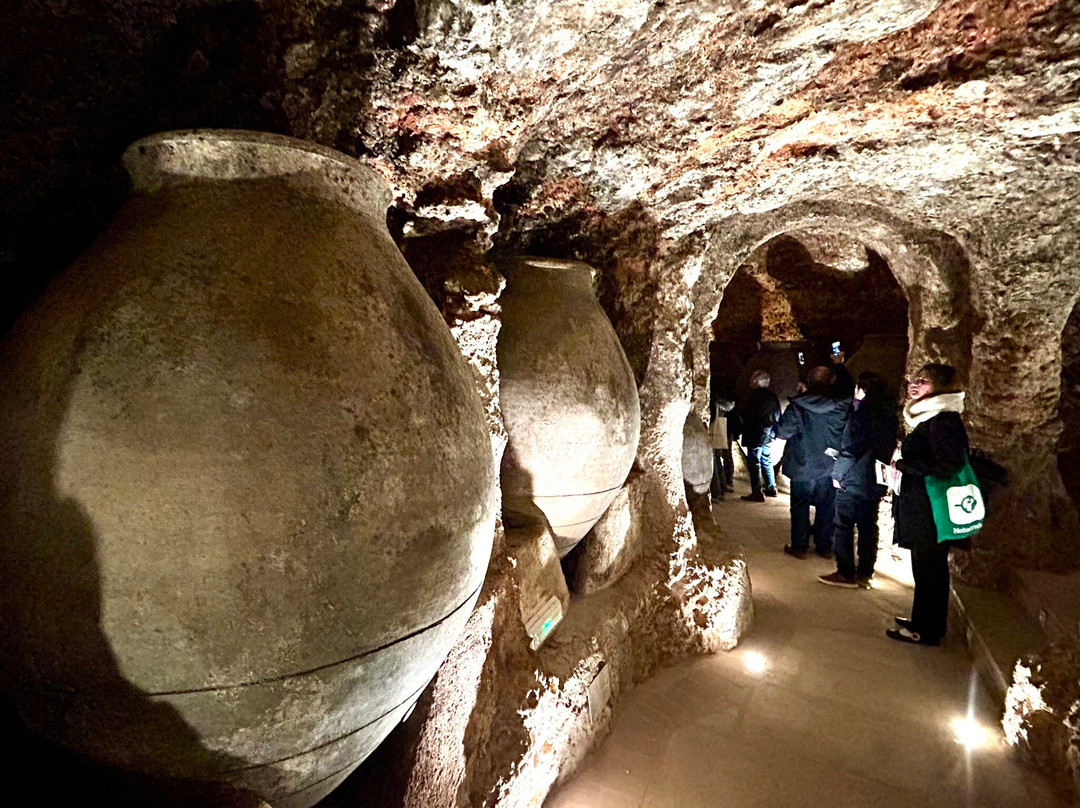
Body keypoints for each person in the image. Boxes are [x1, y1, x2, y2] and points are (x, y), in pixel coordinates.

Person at [887, 363, 968, 645]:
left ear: (941, 387)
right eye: (913, 379)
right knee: (925, 568)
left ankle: (928, 630)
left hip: (932, 507)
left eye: (923, 380)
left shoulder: (944, 420)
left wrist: (907, 464)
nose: (914, 384)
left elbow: (949, 463)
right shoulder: (931, 417)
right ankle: (923, 620)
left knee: (930, 568)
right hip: (924, 504)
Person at [819, 372, 899, 588]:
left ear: (863, 390)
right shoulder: (889, 415)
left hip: (854, 477)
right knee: (868, 525)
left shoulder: (862, 415)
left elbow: (850, 449)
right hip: (876, 477)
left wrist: (838, 475)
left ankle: (845, 572)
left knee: (843, 524)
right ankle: (865, 572)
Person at [775, 365, 851, 558]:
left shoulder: (799, 406)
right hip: (830, 463)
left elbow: (783, 431)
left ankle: (799, 547)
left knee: (800, 505)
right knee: (827, 505)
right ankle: (824, 546)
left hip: (802, 463)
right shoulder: (841, 405)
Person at [740, 370, 781, 502]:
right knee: (766, 459)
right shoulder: (772, 396)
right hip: (769, 434)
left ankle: (757, 492)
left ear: (756, 382)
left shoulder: (753, 397)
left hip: (755, 434)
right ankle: (771, 487)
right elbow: (777, 415)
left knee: (754, 462)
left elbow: (748, 416)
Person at [709, 397, 735, 501]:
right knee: (718, 459)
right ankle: (721, 487)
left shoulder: (714, 400)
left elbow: (711, 418)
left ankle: (715, 492)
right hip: (722, 433)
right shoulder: (726, 402)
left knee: (712, 461)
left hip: (712, 433)